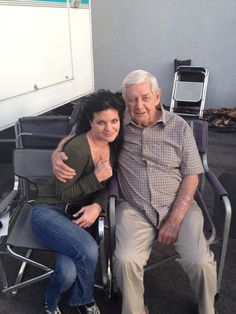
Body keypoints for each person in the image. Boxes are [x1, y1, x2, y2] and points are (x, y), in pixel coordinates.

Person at [52, 70, 217, 314]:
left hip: (178, 205)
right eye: (131, 99)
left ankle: (207, 308)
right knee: (126, 260)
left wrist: (175, 218)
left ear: (157, 96)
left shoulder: (179, 127)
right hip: (134, 207)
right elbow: (77, 133)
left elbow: (193, 174)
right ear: (125, 100)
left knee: (200, 261)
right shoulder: (116, 124)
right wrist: (56, 153)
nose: (138, 106)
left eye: (145, 97)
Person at [31, 89, 124, 314]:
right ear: (90, 122)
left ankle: (54, 299)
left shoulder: (113, 143)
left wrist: (97, 205)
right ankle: (81, 301)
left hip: (77, 214)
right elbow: (64, 195)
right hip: (49, 212)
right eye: (101, 122)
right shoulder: (78, 149)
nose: (109, 127)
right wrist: (95, 178)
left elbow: (110, 184)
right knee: (90, 250)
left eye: (114, 120)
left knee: (67, 273)